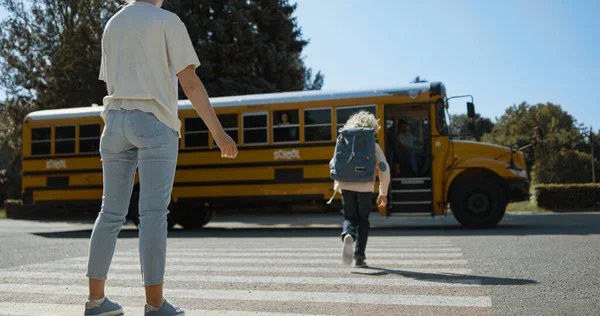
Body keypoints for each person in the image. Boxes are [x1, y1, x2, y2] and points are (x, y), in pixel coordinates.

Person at [84, 1, 238, 315]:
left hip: (113, 122)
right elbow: (190, 82)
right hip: (154, 122)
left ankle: (96, 302)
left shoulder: (113, 23)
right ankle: (155, 305)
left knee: (110, 212)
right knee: (153, 214)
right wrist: (218, 132)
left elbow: (112, 79)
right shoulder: (167, 21)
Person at [329, 110, 390, 268]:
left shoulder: (344, 141)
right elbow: (384, 168)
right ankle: (360, 256)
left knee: (349, 217)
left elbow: (333, 164)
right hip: (366, 187)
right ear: (372, 127)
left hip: (346, 186)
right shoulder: (373, 145)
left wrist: (338, 185)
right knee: (363, 220)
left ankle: (348, 234)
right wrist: (383, 193)